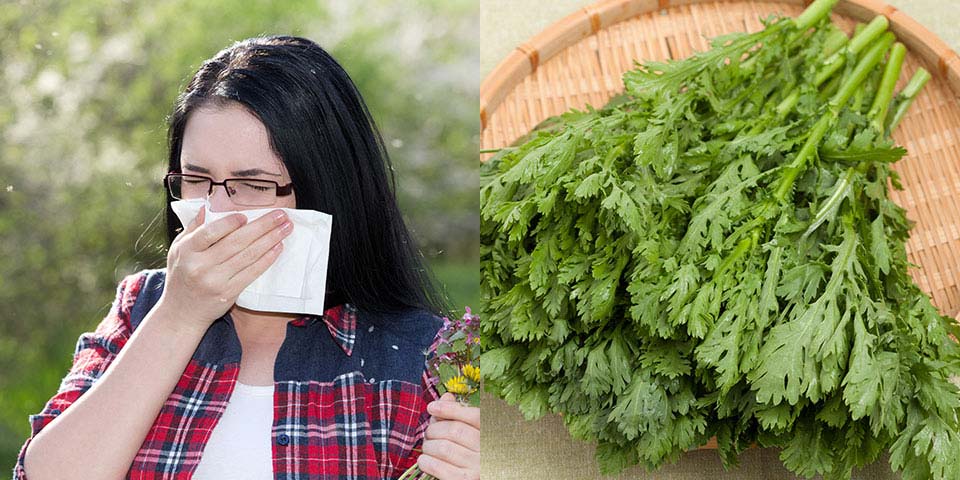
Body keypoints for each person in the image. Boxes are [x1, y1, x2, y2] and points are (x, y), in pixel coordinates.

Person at [13, 36, 480, 480]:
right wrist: (179, 316)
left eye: (253, 185)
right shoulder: (143, 307)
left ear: (330, 190)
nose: (217, 210)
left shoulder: (429, 358)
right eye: (196, 179)